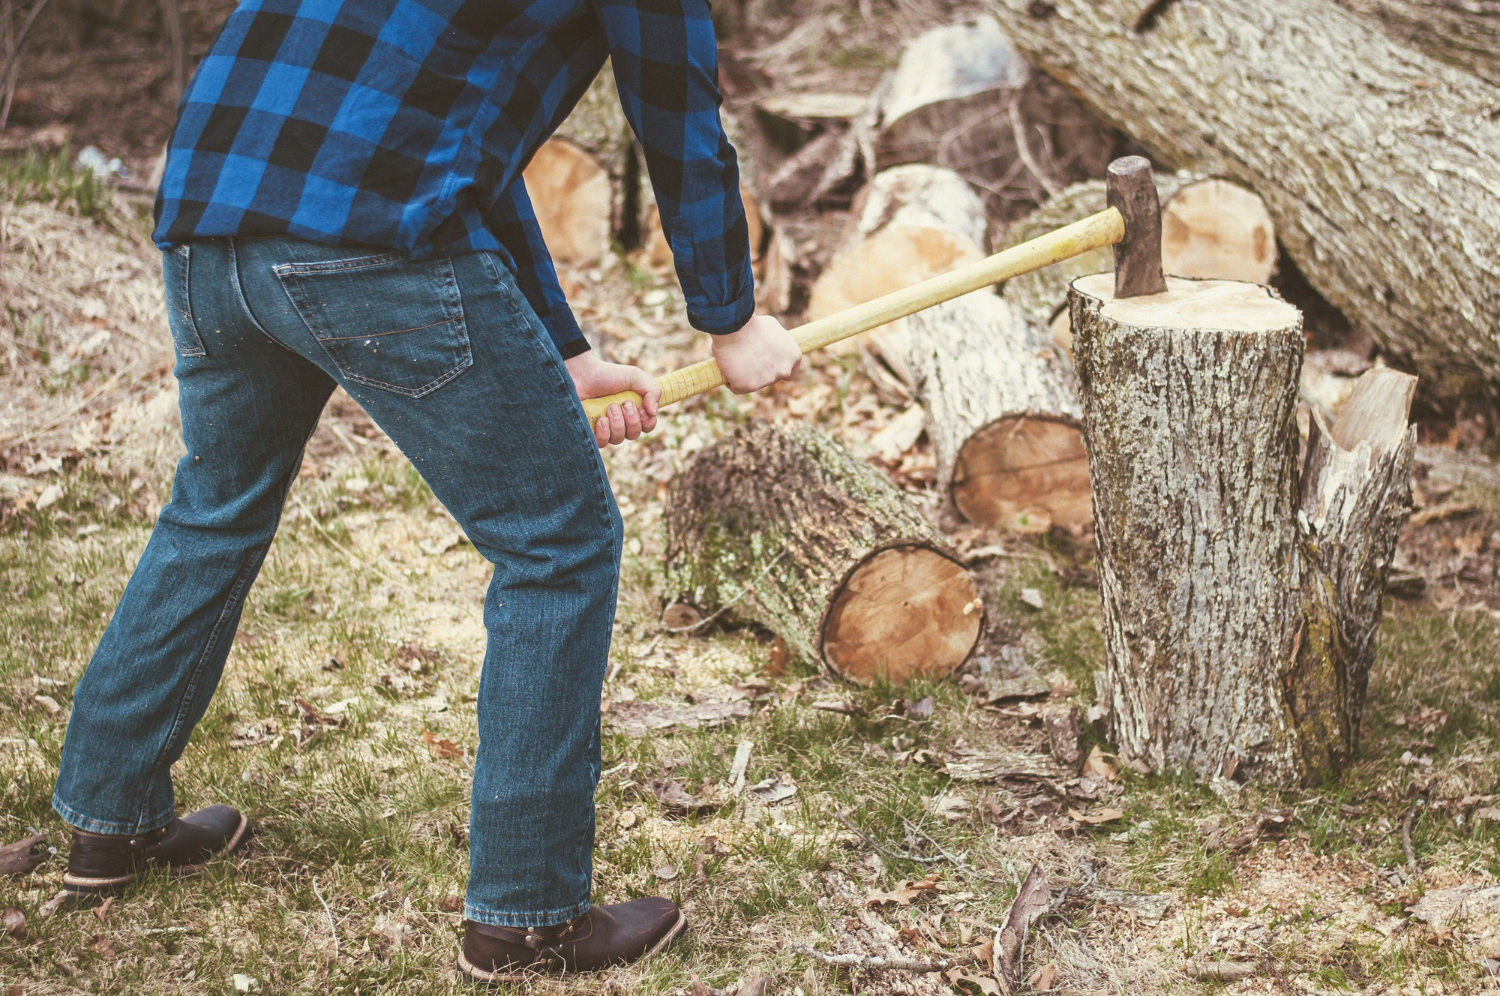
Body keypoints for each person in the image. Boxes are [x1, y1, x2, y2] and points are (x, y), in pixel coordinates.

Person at [50, 0, 801, 983]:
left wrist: (566, 349)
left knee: (213, 509)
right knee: (556, 545)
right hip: (362, 237)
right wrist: (732, 318)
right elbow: (676, 111)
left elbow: (450, 141)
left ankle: (109, 821)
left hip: (209, 221)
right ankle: (526, 919)